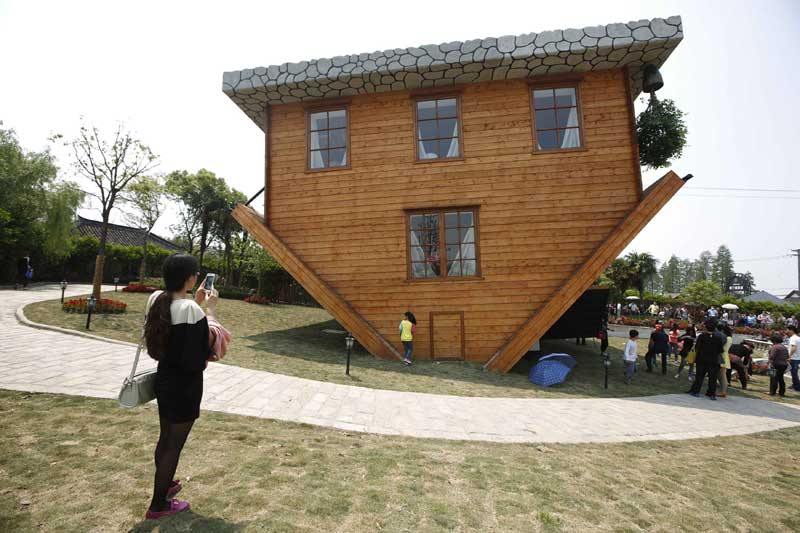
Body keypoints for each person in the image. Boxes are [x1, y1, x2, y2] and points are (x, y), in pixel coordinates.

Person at [144, 254, 225, 520]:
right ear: (190, 278)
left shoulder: (157, 299)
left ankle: (165, 486)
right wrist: (210, 310)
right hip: (185, 386)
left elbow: (177, 333)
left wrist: (198, 303)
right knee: (173, 446)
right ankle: (158, 505)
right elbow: (200, 351)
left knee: (165, 438)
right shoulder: (190, 309)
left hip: (165, 379)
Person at [688, 319, 724, 399]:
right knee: (712, 378)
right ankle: (711, 394)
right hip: (713, 360)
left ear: (706, 327)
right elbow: (720, 350)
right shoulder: (718, 338)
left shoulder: (702, 336)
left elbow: (697, 347)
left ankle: (696, 391)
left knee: (699, 376)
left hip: (701, 359)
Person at [716, 324, 733, 398]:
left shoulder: (727, 338)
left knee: (722, 375)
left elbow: (723, 348)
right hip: (723, 356)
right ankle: (722, 391)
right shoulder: (729, 337)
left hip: (723, 356)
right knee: (720, 375)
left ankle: (723, 391)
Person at [789, 325, 800, 391]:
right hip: (797, 357)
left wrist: (789, 356)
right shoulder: (798, 338)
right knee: (794, 372)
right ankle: (795, 384)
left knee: (794, 373)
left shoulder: (793, 338)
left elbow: (794, 348)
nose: (786, 331)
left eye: (787, 330)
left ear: (791, 330)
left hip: (794, 358)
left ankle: (797, 387)